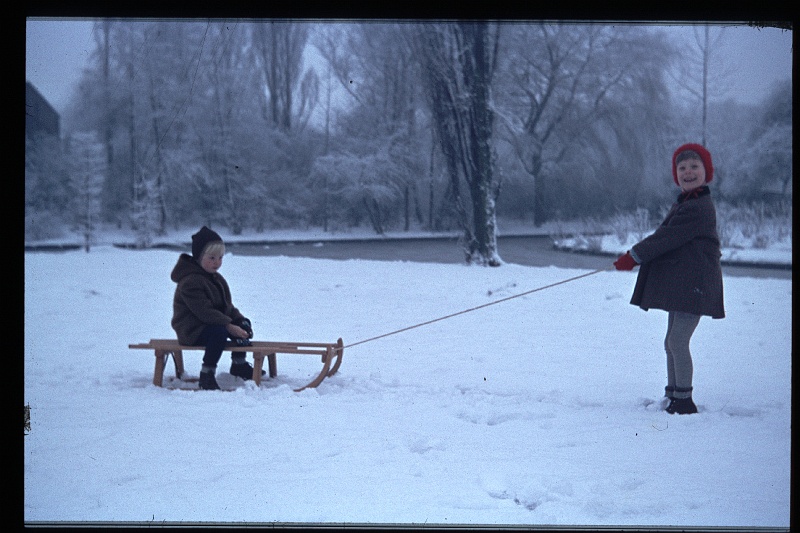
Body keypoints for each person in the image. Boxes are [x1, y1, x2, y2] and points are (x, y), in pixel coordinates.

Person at [613, 143, 725, 415]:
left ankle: (684, 401)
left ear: (706, 172)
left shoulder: (698, 207)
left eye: (694, 167)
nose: (688, 172)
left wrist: (635, 255)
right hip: (685, 284)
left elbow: (667, 237)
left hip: (695, 285)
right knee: (671, 341)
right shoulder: (686, 201)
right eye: (682, 168)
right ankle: (673, 395)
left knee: (677, 341)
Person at [171, 226, 260, 390]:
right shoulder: (190, 282)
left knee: (238, 326)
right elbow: (204, 311)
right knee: (220, 332)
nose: (217, 262)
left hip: (211, 324)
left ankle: (239, 364)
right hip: (191, 329)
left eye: (220, 258)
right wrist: (229, 326)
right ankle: (207, 374)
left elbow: (226, 307)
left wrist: (240, 320)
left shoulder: (216, 279)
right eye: (212, 258)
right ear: (199, 257)